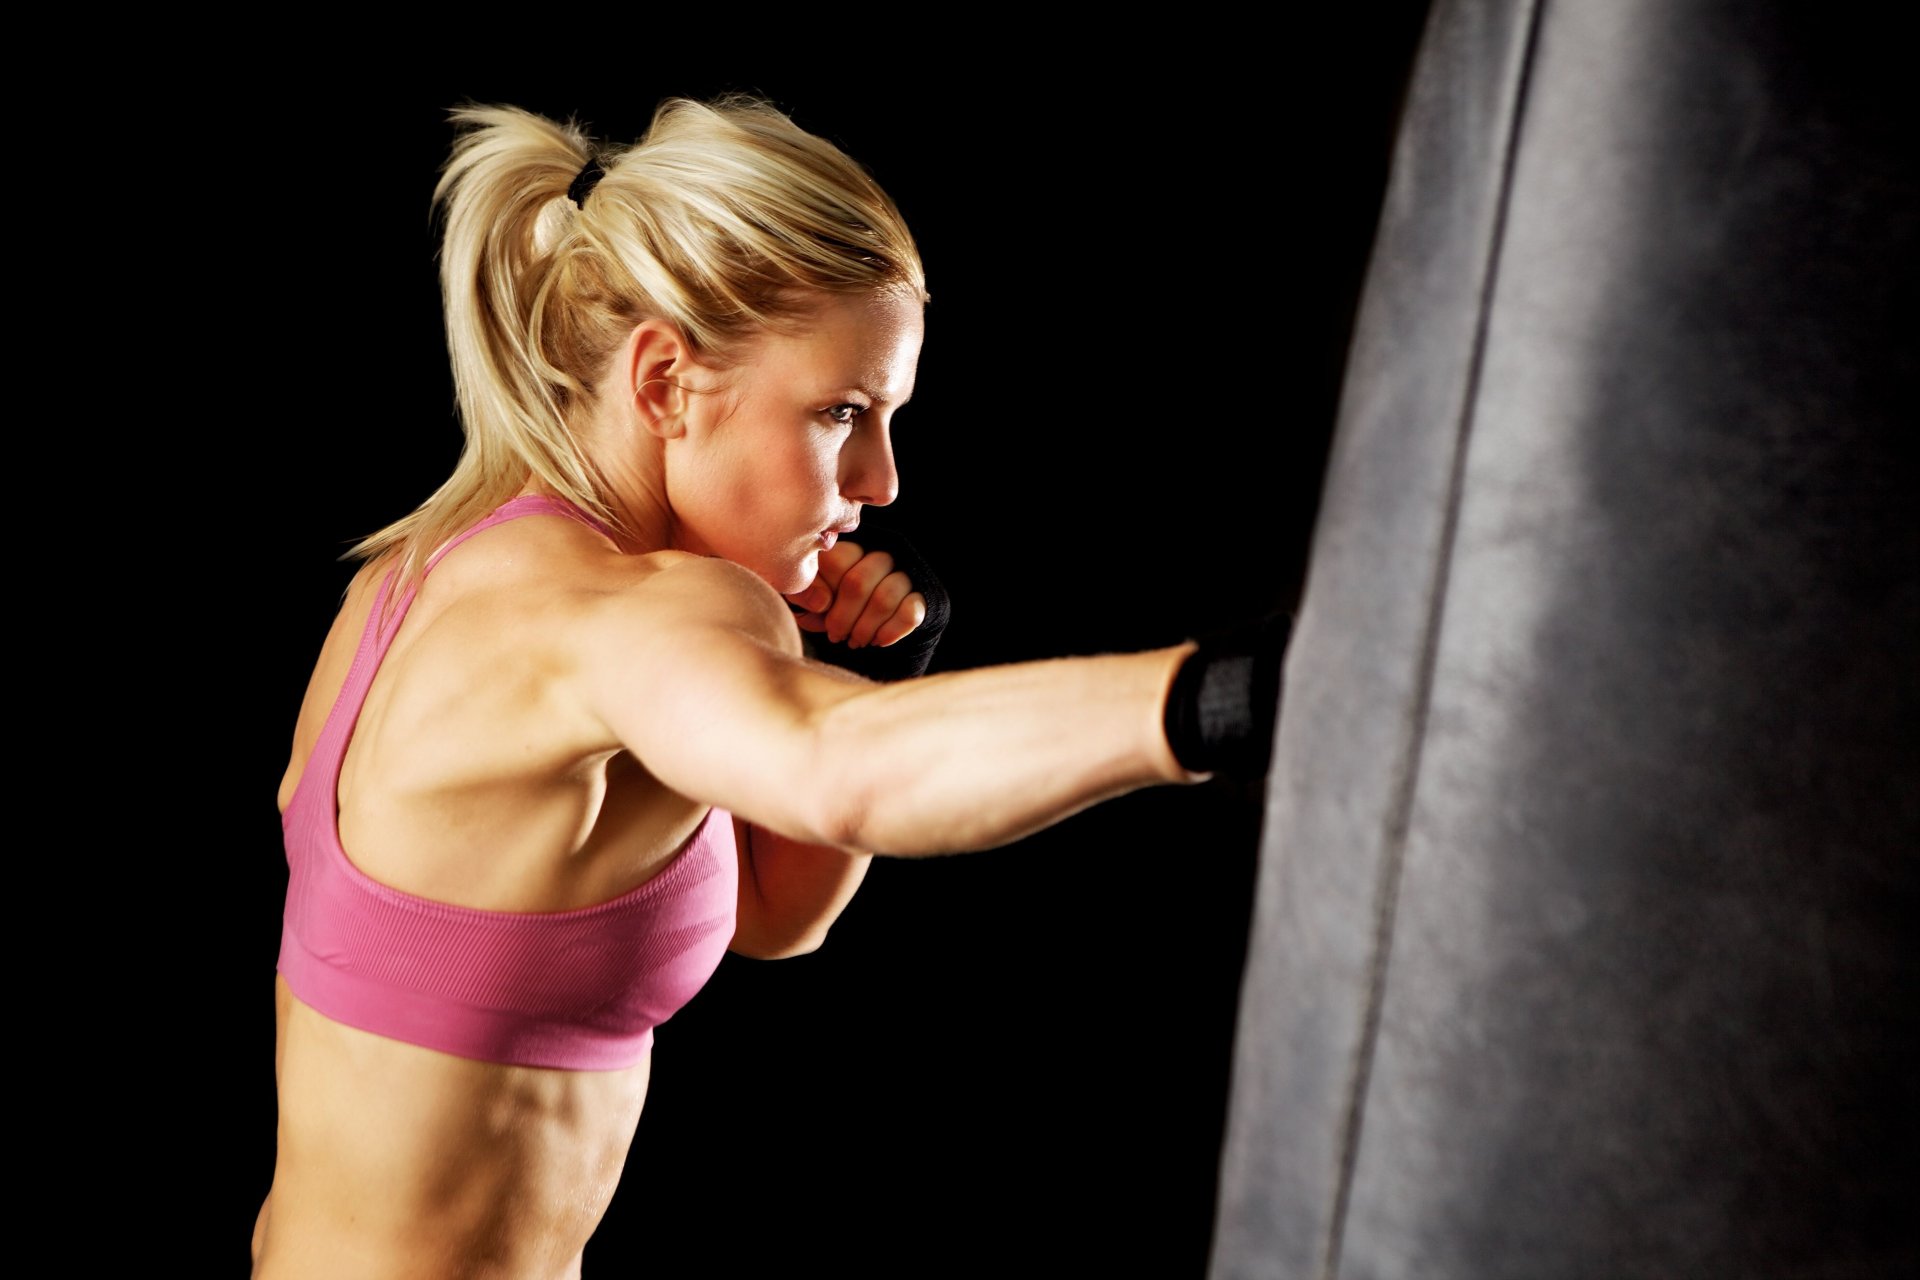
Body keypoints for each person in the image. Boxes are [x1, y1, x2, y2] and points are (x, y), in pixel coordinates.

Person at [252, 96, 1282, 1279]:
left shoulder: (407, 578)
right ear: (664, 384)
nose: (881, 479)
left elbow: (772, 918)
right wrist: (1231, 695)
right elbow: (847, 772)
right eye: (841, 413)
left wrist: (866, 670)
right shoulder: (629, 615)